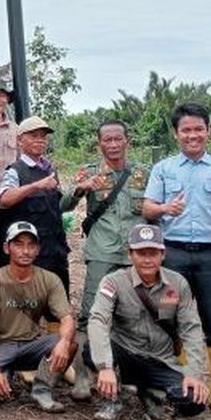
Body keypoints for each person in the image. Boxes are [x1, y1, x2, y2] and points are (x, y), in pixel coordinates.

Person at [141, 102, 211, 420]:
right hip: (174, 256)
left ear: (208, 131)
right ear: (176, 133)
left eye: (199, 129)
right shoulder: (164, 169)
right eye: (186, 130)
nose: (192, 135)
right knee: (168, 321)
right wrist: (166, 209)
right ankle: (177, 387)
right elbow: (147, 210)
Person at [87, 224, 210, 420]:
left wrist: (194, 373)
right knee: (89, 349)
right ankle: (112, 399)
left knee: (193, 400)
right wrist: (105, 366)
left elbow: (191, 329)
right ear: (130, 254)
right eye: (141, 253)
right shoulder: (113, 282)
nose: (147, 259)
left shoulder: (177, 284)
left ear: (163, 254)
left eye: (153, 253)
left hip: (160, 360)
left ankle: (149, 392)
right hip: (125, 354)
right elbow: (98, 320)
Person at [64, 119, 150, 401]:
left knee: (132, 317)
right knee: (90, 315)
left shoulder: (143, 174)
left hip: (133, 257)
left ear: (128, 141)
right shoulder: (89, 173)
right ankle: (83, 377)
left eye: (118, 139)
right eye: (107, 140)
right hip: (101, 254)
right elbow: (62, 204)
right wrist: (82, 188)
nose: (113, 145)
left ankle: (126, 375)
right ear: (99, 143)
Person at [0, 221, 74, 413]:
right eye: (19, 244)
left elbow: (67, 318)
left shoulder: (49, 279)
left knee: (70, 343)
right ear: (7, 248)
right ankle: (0, 373)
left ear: (38, 249)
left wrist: (64, 342)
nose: (25, 251)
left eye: (31, 245)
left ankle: (42, 389)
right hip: (0, 345)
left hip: (31, 344)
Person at [0, 116, 68, 290]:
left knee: (57, 308)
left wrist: (78, 192)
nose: (40, 140)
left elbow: (59, 206)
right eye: (33, 135)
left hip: (56, 253)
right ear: (20, 140)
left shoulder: (50, 169)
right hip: (30, 256)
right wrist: (35, 186)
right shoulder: (15, 171)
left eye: (43, 136)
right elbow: (5, 199)